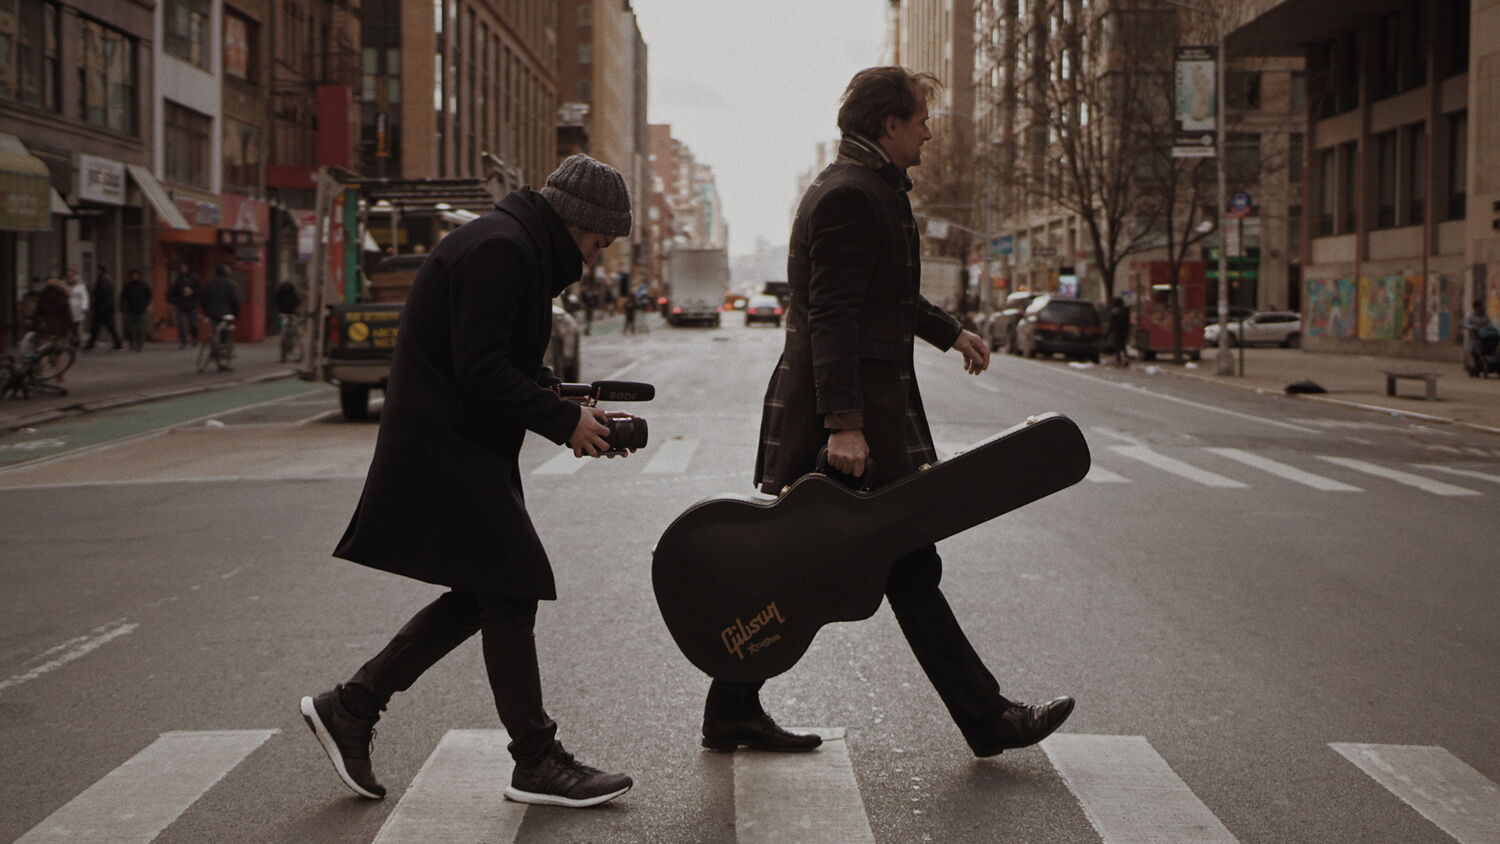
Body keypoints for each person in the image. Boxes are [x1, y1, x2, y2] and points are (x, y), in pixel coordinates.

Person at [703, 67, 1076, 759]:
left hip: (857, 414)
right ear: (888, 125)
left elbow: (884, 294)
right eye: (921, 118)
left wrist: (950, 331)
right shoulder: (851, 196)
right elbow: (835, 315)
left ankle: (732, 706)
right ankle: (987, 718)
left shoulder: (867, 189)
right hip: (845, 422)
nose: (930, 131)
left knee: (857, 565)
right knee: (876, 563)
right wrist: (844, 424)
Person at [299, 154, 636, 809]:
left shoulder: (511, 246)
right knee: (511, 586)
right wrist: (563, 422)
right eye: (598, 241)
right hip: (446, 445)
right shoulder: (502, 250)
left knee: (488, 592)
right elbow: (480, 368)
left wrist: (574, 406)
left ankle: (353, 706)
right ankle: (535, 759)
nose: (596, 258)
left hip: (456, 443)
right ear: (575, 221)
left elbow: (507, 362)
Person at [86, 265, 123, 350]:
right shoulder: (109, 279)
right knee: (108, 327)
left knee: (97, 326)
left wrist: (95, 300)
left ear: (100, 270)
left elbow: (102, 292)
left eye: (97, 269)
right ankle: (117, 343)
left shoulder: (102, 279)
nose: (96, 271)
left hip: (102, 307)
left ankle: (91, 343)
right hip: (107, 307)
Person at [120, 269, 154, 351]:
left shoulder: (144, 285)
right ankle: (132, 343)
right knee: (130, 328)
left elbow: (150, 295)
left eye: (136, 275)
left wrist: (147, 305)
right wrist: (122, 307)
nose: (135, 277)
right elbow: (123, 297)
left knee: (141, 328)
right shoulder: (127, 285)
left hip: (141, 310)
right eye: (133, 275)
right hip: (130, 310)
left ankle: (139, 344)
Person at [169, 263, 200, 348]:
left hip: (192, 304)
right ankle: (183, 341)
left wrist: (192, 292)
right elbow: (173, 291)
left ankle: (194, 337)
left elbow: (200, 290)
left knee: (193, 323)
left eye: (184, 268)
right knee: (181, 324)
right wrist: (173, 302)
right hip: (181, 304)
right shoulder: (178, 279)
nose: (183, 270)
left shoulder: (194, 278)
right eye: (182, 268)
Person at [276, 278, 303, 362]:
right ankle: (285, 351)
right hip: (287, 314)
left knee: (291, 333)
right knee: (286, 334)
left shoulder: (283, 292)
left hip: (290, 314)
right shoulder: (287, 292)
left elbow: (277, 303)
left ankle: (287, 350)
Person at [65, 267, 88, 348]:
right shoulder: (65, 284)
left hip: (76, 308)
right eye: (68, 274)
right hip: (67, 308)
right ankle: (72, 341)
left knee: (75, 326)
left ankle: (75, 342)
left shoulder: (80, 285)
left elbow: (84, 296)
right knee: (69, 326)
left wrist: (84, 307)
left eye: (71, 274)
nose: (70, 276)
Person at [1106, 296, 1130, 367]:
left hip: (1118, 331)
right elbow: (1127, 322)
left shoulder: (1115, 311)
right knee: (1123, 345)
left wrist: (1108, 333)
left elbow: (1112, 323)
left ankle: (1119, 360)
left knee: (1117, 347)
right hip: (1124, 331)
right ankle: (1125, 358)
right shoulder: (1125, 311)